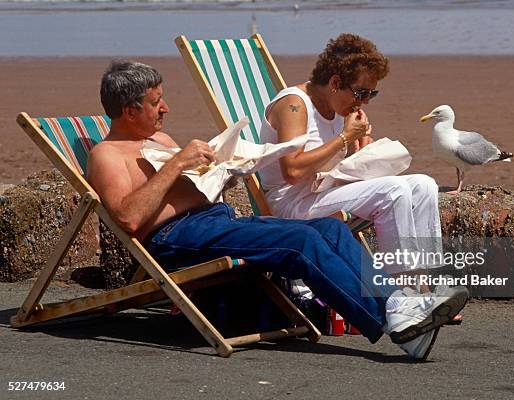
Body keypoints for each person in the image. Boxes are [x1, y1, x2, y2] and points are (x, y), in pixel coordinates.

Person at [86, 60, 467, 360]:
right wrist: (176, 165)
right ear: (129, 109)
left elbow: (183, 189)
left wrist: (223, 173)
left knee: (329, 230)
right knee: (299, 239)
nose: (165, 108)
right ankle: (395, 315)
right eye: (156, 102)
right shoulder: (106, 156)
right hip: (177, 238)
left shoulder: (159, 138)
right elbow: (129, 218)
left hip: (213, 220)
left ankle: (404, 319)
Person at [257, 33, 454, 356]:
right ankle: (404, 299)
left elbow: (338, 163)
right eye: (361, 93)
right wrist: (344, 138)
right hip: (292, 204)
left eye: (371, 94)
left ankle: (422, 285)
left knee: (423, 185)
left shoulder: (337, 110)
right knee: (393, 190)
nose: (363, 102)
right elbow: (291, 170)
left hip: (324, 192)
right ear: (335, 81)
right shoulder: (293, 105)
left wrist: (359, 144)